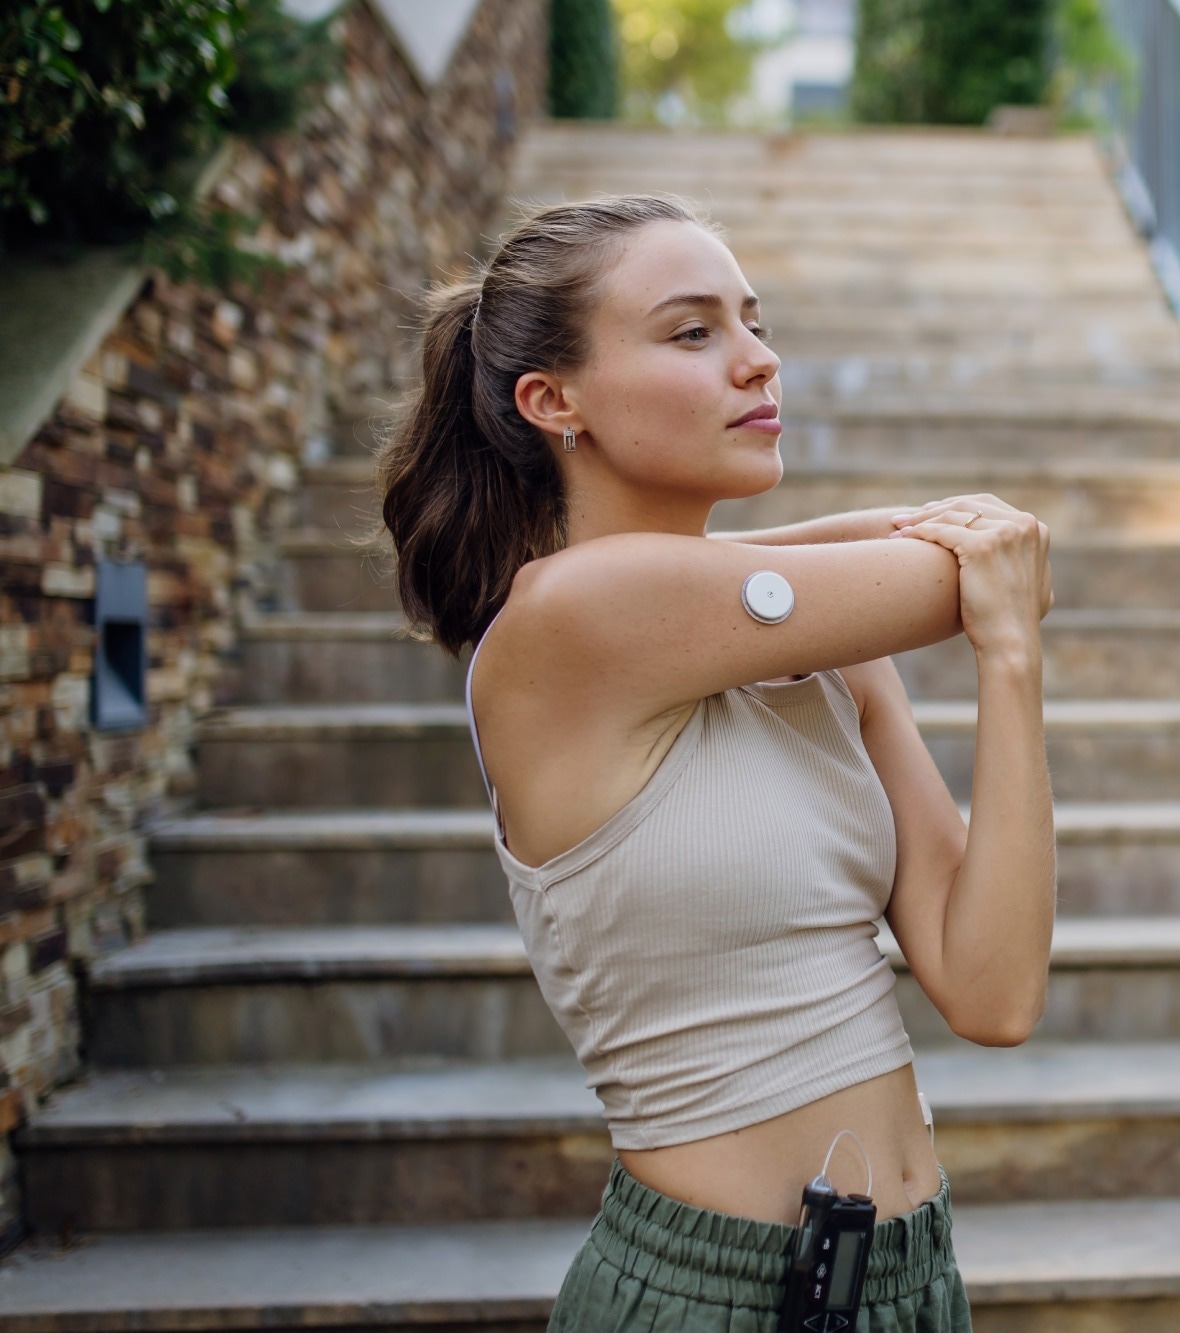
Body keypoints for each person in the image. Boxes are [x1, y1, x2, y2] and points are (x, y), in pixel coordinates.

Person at [374, 193, 1056, 1332]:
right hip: (712, 1295)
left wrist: (1012, 664)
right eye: (693, 331)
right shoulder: (567, 616)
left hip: (910, 1285)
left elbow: (994, 993)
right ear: (553, 401)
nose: (757, 359)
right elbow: (954, 567)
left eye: (754, 322)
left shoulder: (819, 646)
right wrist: (993, 588)